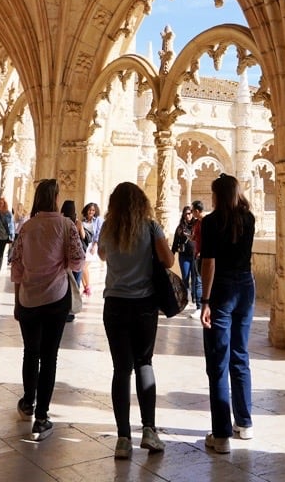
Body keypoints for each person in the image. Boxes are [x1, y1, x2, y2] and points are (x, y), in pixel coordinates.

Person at [98, 182, 172, 459]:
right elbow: (168, 260)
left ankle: (123, 439)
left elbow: (102, 255)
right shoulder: (151, 227)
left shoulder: (108, 228)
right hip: (144, 305)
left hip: (115, 303)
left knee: (121, 370)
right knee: (144, 363)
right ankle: (149, 431)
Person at [10, 178, 85, 442]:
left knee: (30, 352)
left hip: (28, 297)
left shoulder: (27, 227)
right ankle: (42, 417)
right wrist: (62, 263)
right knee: (49, 356)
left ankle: (27, 403)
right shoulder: (66, 225)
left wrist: (17, 300)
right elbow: (78, 262)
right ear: (55, 198)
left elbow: (16, 266)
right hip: (56, 297)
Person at [199, 174, 255, 453]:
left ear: (217, 195)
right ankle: (244, 423)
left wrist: (205, 300)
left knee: (218, 360)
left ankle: (221, 435)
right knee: (240, 355)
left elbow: (209, 263)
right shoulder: (249, 219)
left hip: (221, 289)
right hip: (246, 286)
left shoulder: (211, 222)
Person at [172, 204, 201, 307]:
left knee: (195, 278)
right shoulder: (180, 228)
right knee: (185, 278)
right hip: (184, 256)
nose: (188, 215)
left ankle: (195, 298)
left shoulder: (197, 225)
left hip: (195, 255)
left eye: (189, 213)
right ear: (183, 215)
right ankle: (186, 299)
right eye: (186, 214)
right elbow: (175, 243)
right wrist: (171, 254)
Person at [81, 201, 103, 297]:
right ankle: (86, 288)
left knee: (83, 267)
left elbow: (99, 232)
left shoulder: (98, 220)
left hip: (92, 246)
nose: (91, 212)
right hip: (83, 246)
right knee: (80, 268)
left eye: (93, 210)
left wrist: (95, 245)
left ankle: (88, 287)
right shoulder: (83, 220)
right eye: (89, 210)